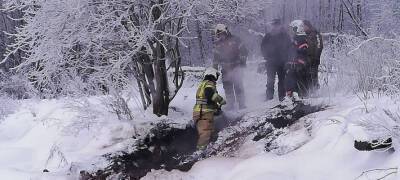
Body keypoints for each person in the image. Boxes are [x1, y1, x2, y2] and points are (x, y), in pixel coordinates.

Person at [213, 24, 248, 110]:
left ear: (226, 31)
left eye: (222, 34)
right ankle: (231, 104)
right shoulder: (217, 44)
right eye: (219, 35)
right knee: (227, 87)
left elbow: (244, 51)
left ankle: (241, 104)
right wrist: (214, 69)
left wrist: (242, 61)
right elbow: (216, 58)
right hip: (225, 69)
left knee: (238, 86)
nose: (221, 36)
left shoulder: (235, 40)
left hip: (236, 66)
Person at [193, 67, 226, 149]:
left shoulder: (203, 84)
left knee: (209, 131)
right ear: (213, 75)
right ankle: (200, 153)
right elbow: (209, 95)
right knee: (205, 133)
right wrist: (221, 100)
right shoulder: (209, 84)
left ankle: (208, 149)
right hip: (204, 113)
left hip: (201, 112)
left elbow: (207, 100)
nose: (216, 79)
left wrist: (217, 108)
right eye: (216, 76)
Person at [260, 19, 292, 101]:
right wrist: (266, 56)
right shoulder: (268, 36)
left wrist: (288, 59)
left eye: (277, 25)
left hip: (282, 62)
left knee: (282, 81)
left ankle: (282, 98)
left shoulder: (285, 36)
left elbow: (290, 48)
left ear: (280, 25)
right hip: (271, 62)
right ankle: (269, 97)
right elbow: (263, 47)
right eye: (274, 25)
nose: (276, 27)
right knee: (270, 81)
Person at [283, 20, 310, 101]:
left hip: (298, 67)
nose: (292, 31)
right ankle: (291, 98)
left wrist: (298, 64)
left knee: (298, 83)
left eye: (294, 29)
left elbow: (302, 53)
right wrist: (288, 62)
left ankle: (301, 99)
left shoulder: (301, 39)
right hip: (293, 65)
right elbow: (292, 52)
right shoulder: (296, 38)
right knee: (289, 81)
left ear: (298, 29)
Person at [303, 20, 323, 92]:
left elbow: (319, 46)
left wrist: (316, 57)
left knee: (313, 76)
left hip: (314, 59)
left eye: (304, 26)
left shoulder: (315, 33)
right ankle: (307, 91)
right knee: (307, 76)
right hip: (306, 59)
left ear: (308, 26)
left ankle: (315, 92)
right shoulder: (304, 34)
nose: (303, 28)